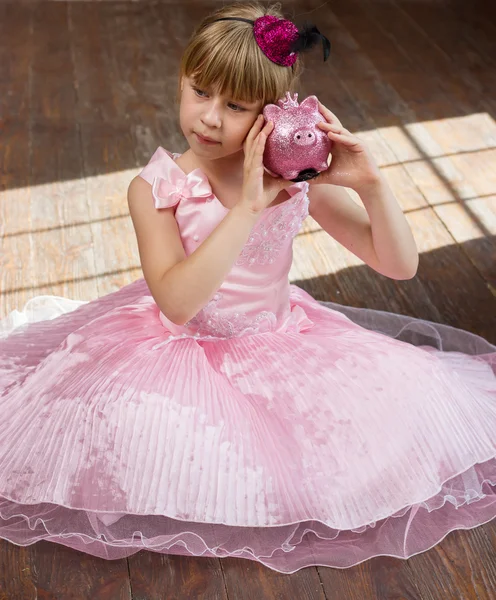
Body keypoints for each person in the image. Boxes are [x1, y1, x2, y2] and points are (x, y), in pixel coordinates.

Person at [0, 1, 495, 574]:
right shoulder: (158, 187)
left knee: (379, 432)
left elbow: (398, 264)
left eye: (235, 106)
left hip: (282, 339)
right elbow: (179, 301)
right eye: (199, 92)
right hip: (179, 352)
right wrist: (246, 211)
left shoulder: (290, 180)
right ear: (181, 82)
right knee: (170, 451)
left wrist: (372, 184)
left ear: (271, 113)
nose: (209, 118)